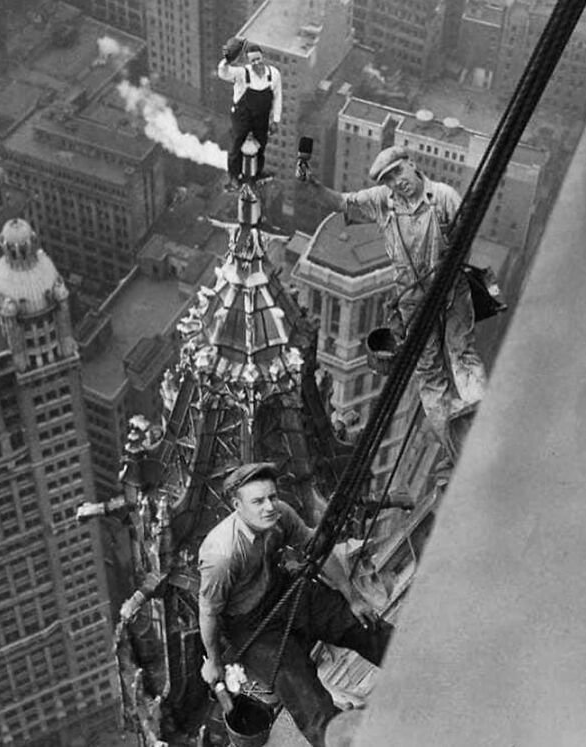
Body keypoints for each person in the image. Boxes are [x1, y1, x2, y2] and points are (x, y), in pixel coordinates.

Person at [198, 462, 393, 747]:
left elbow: (318, 549)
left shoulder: (281, 514)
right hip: (253, 626)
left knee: (367, 628)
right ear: (236, 505)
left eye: (272, 497)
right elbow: (209, 613)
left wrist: (353, 599)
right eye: (257, 501)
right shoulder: (221, 555)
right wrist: (214, 661)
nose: (268, 507)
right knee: (308, 702)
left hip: (286, 590)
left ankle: (426, 668)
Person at [303, 146, 486, 447]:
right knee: (428, 373)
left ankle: (479, 419)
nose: (396, 182)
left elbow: (467, 235)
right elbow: (340, 203)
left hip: (451, 290)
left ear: (411, 165)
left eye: (398, 171)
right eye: (388, 179)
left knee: (460, 352)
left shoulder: (443, 196)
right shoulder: (381, 202)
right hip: (412, 300)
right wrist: (312, 184)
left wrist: (450, 261)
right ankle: (455, 445)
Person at [218, 38, 282, 189]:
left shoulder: (273, 75)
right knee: (236, 145)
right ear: (248, 60)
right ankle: (234, 177)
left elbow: (278, 96)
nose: (256, 63)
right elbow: (223, 73)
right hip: (242, 115)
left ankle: (258, 172)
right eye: (252, 60)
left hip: (262, 116)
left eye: (258, 59)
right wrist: (227, 60)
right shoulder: (241, 73)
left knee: (261, 144)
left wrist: (276, 120)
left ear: (263, 57)